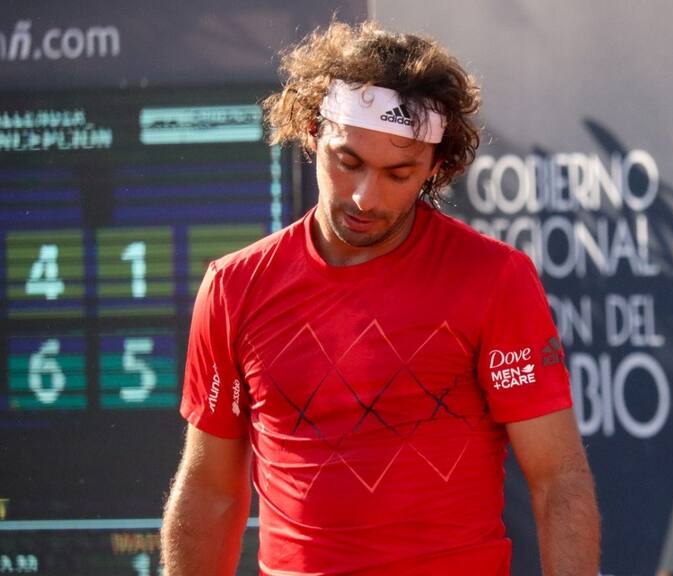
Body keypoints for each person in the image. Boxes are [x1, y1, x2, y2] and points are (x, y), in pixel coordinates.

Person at [161, 21, 600, 576]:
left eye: (399, 173)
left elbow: (558, 478)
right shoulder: (234, 286)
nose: (366, 196)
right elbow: (210, 491)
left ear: (436, 169)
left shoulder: (494, 277)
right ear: (312, 133)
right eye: (348, 162)